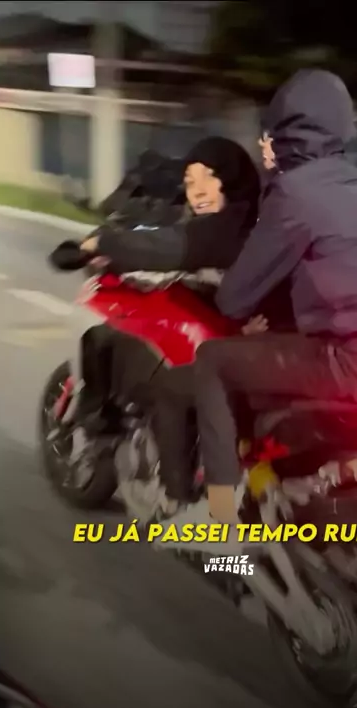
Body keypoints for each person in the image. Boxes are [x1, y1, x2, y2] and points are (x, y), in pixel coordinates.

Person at [159, 68, 357, 550]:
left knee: (213, 361)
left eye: (270, 132)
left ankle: (219, 519)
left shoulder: (294, 191)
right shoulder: (355, 184)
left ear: (288, 134)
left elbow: (234, 298)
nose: (263, 143)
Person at [78, 137, 263, 510]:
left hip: (256, 351)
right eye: (191, 182)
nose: (198, 191)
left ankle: (175, 499)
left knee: (170, 388)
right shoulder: (254, 219)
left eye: (210, 177)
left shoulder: (228, 227)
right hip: (269, 342)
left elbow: (168, 248)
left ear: (233, 180)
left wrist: (101, 244)